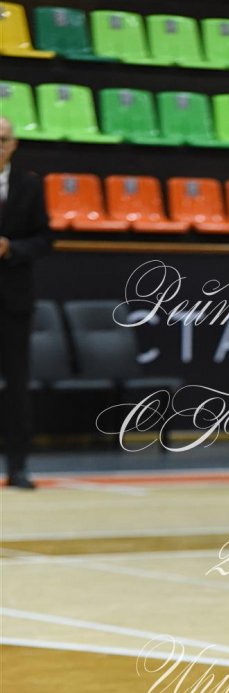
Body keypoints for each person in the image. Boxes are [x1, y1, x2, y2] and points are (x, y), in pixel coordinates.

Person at [0, 116, 53, 489]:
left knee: (17, 386)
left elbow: (44, 239)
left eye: (3, 139)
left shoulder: (30, 185)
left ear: (14, 144)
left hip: (13, 300)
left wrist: (11, 248)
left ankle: (18, 466)